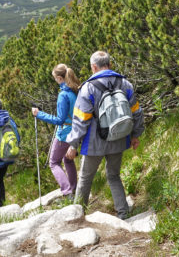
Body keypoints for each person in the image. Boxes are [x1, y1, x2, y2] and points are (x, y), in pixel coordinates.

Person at [65, 51, 144, 219]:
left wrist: (73, 144)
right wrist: (135, 135)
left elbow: (81, 119)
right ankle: (123, 213)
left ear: (94, 67)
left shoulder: (88, 87)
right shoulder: (125, 83)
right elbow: (136, 112)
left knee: (86, 178)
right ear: (109, 64)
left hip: (94, 143)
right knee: (114, 175)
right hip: (118, 138)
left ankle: (77, 215)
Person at [32, 64, 80, 199]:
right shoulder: (74, 91)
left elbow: (59, 120)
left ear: (59, 78)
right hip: (75, 131)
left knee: (53, 162)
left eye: (55, 78)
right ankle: (74, 189)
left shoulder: (63, 95)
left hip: (64, 133)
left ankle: (67, 192)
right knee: (68, 160)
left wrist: (39, 114)